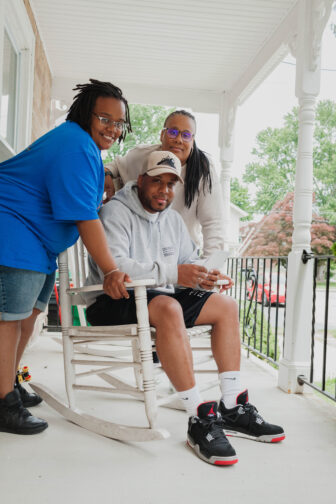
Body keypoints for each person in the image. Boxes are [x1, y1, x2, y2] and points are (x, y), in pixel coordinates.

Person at [85, 150, 285, 466]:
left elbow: (187, 262)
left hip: (159, 296)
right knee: (168, 307)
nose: (164, 190)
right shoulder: (115, 214)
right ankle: (198, 417)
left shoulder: (173, 220)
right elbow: (118, 267)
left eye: (170, 183)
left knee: (225, 306)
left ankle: (232, 405)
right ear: (140, 181)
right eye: (156, 182)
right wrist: (176, 274)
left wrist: (204, 277)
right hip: (112, 300)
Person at [0, 79, 132, 436]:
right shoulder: (75, 144)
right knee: (9, 320)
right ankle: (2, 403)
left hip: (37, 243)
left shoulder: (84, 149)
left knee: (29, 316)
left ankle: (8, 383)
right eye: (105, 118)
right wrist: (111, 270)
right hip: (14, 230)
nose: (112, 128)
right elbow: (85, 218)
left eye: (119, 123)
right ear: (84, 113)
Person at [104, 109, 225, 257]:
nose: (178, 139)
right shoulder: (143, 156)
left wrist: (210, 268)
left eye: (186, 135)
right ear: (162, 135)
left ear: (192, 141)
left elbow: (213, 223)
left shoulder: (204, 170)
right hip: (143, 251)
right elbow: (116, 165)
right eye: (173, 132)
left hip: (181, 255)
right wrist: (108, 174)